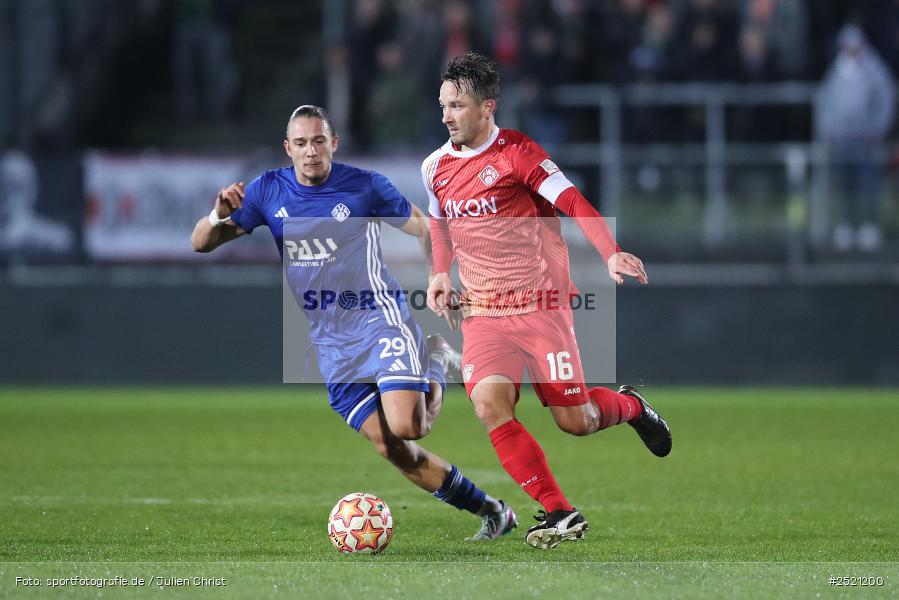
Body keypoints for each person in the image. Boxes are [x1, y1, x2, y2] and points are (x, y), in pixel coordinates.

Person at [190, 104, 517, 541]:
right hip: (331, 344)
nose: (311, 151)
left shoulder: (364, 185)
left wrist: (438, 277)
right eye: (301, 143)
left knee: (410, 426)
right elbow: (200, 243)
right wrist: (217, 215)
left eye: (318, 141)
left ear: (334, 143)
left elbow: (425, 227)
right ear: (288, 148)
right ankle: (493, 511)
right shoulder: (268, 190)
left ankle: (436, 359)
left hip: (379, 321)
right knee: (394, 448)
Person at [424, 53, 671, 550]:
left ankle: (631, 407)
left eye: (457, 106)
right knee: (490, 406)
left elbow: (573, 201)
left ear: (487, 107)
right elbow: (440, 223)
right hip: (483, 312)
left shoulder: (519, 154)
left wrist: (610, 251)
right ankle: (560, 511)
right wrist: (439, 273)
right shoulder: (436, 166)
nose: (447, 116)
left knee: (576, 421)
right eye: (443, 105)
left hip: (540, 306)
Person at [816, 24, 895, 252]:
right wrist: (827, 131)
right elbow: (826, 102)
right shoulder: (837, 70)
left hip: (865, 138)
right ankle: (845, 225)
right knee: (844, 185)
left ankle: (869, 224)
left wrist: (878, 128)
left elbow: (885, 99)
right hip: (841, 139)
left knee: (867, 184)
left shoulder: (873, 69)